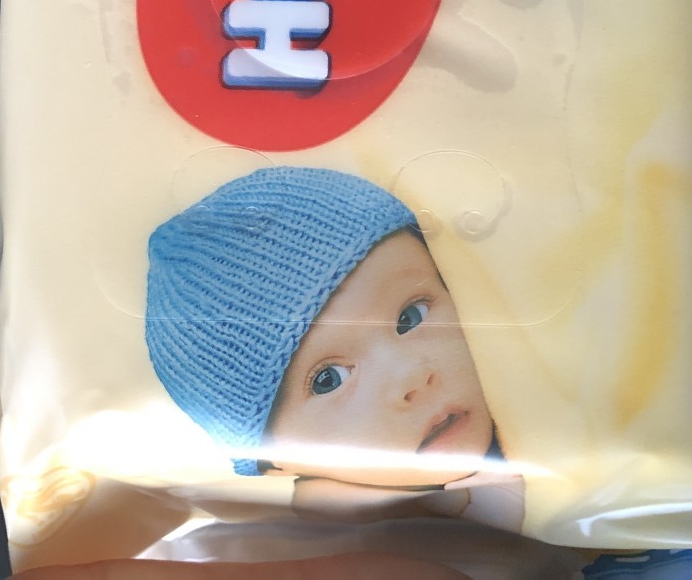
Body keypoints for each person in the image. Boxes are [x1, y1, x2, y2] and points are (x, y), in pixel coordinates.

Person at [145, 167, 517, 525]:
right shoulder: (341, 541)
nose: (412, 376)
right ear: (274, 460)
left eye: (409, 317)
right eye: (329, 379)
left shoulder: (528, 379)